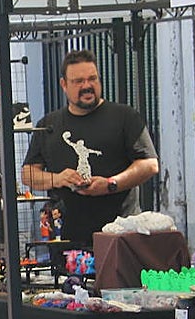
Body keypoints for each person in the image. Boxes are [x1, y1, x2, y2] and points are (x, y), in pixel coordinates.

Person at [21, 49, 159, 244]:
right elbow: (28, 174)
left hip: (120, 235)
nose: (87, 86)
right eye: (78, 81)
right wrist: (58, 179)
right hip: (68, 239)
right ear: (63, 85)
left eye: (92, 79)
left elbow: (149, 164)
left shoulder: (124, 117)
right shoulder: (49, 125)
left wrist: (111, 184)